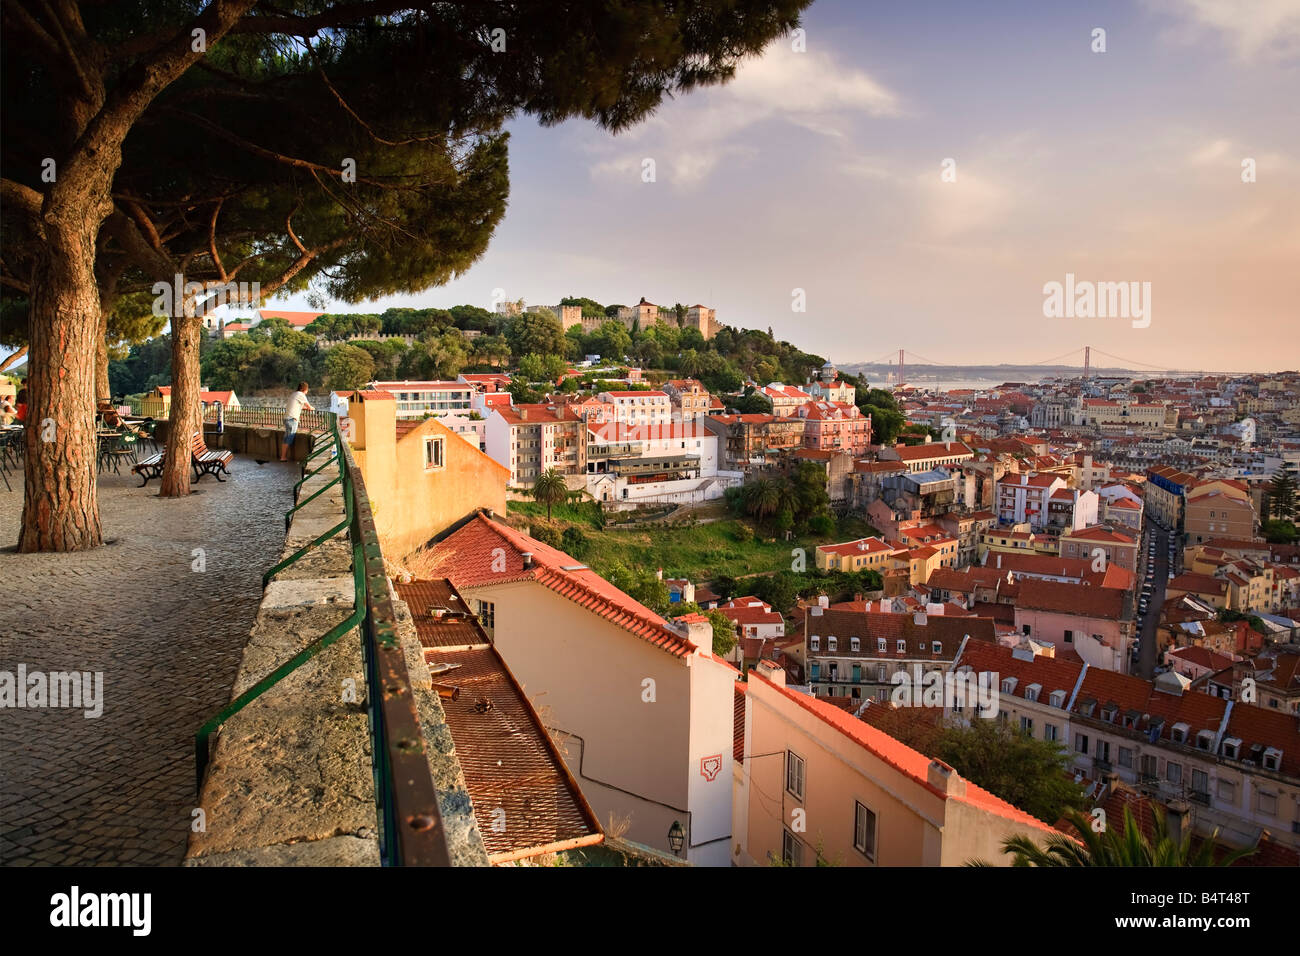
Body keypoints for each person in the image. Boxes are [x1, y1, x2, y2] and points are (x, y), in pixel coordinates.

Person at [282, 381, 313, 461]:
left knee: (286, 438)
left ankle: (283, 456)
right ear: (305, 389)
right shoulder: (301, 395)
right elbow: (309, 407)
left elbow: (299, 406)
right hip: (292, 419)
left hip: (286, 418)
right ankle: (283, 457)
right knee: (289, 438)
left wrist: (306, 408)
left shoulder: (294, 394)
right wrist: (312, 408)